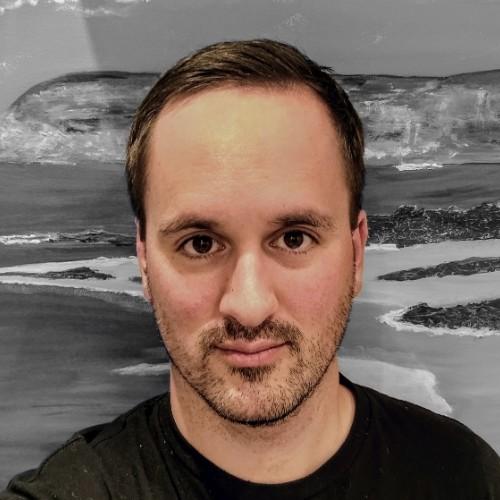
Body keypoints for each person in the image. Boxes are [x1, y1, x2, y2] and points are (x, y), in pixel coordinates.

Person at [2, 39, 499, 500]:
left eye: (294, 238)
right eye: (200, 244)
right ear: (144, 261)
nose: (249, 305)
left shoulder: (465, 478)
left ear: (357, 253)